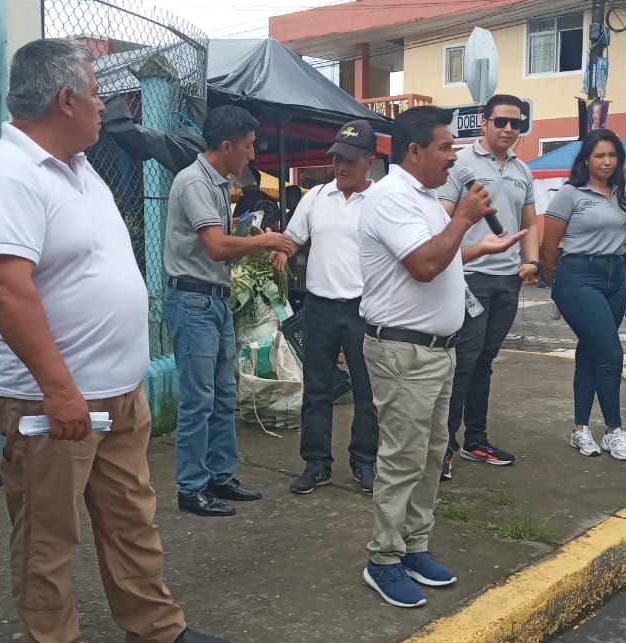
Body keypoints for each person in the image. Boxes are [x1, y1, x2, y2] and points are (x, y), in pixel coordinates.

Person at [0, 39, 232, 643]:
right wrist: (59, 390)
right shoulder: (6, 175)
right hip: (50, 398)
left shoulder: (79, 169)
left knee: (131, 518)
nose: (104, 106)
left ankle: (152, 629)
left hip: (116, 392)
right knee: (47, 535)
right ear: (65, 100)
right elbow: (6, 288)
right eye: (96, 93)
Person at [358, 105, 527, 608]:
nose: (454, 156)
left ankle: (414, 547)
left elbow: (441, 253)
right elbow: (425, 264)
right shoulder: (392, 197)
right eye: (446, 147)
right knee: (402, 459)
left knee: (432, 455)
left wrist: (479, 247)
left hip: (435, 351)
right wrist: (464, 219)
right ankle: (383, 559)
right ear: (414, 151)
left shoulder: (426, 197)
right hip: (404, 352)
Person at [163, 106, 297, 517]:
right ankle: (191, 487)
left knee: (224, 393)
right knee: (199, 399)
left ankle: (220, 475)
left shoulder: (219, 183)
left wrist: (251, 236)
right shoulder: (194, 182)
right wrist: (267, 240)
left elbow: (221, 243)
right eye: (248, 146)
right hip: (193, 301)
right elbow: (217, 247)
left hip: (215, 300)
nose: (252, 155)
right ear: (226, 146)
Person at [273, 119, 380, 495]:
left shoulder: (381, 201)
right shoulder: (316, 197)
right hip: (318, 307)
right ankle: (316, 464)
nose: (341, 166)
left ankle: (364, 461)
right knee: (317, 389)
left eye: (350, 159)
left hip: (363, 310)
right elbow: (293, 237)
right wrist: (282, 250)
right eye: (337, 158)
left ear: (369, 161)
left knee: (368, 391)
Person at [437, 94, 541, 479]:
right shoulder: (460, 163)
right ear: (484, 122)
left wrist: (531, 262)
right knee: (463, 362)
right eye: (501, 122)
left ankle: (476, 440)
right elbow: (443, 217)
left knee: (485, 361)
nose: (509, 129)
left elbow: (529, 221)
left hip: (507, 280)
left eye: (516, 123)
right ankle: (443, 446)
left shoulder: (522, 169)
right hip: (470, 277)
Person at [541, 129, 626, 461]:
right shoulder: (570, 194)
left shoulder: (621, 194)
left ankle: (580, 429)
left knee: (591, 352)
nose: (607, 161)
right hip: (578, 275)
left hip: (615, 277)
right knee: (611, 354)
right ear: (586, 159)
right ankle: (614, 431)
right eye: (600, 155)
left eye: (613, 155)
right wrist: (558, 286)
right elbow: (548, 246)